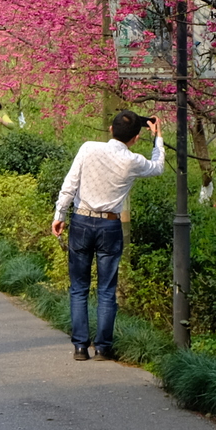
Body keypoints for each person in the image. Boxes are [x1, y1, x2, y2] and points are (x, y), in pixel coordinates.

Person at [51, 110, 167, 361]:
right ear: (136, 138)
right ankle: (103, 347)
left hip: (81, 221)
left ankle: (80, 347)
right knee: (106, 290)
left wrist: (59, 215)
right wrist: (158, 138)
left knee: (79, 288)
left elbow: (70, 184)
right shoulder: (133, 160)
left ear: (111, 129)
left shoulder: (88, 148)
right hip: (110, 227)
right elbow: (158, 167)